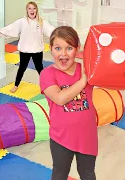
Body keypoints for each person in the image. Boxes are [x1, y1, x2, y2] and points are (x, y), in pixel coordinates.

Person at [40, 26, 97, 180]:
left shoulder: (87, 69)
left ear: (77, 50)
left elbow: (111, 75)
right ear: (50, 49)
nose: (63, 54)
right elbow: (59, 98)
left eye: (69, 48)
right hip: (61, 138)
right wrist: (84, 80)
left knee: (88, 174)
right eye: (58, 48)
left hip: (87, 135)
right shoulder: (47, 74)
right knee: (59, 174)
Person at [0, 1, 55, 93]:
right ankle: (16, 85)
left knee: (40, 69)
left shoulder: (42, 22)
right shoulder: (22, 22)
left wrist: (64, 36)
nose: (32, 10)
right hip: (25, 50)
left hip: (37, 50)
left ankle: (45, 87)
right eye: (29, 8)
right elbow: (9, 29)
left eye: (34, 8)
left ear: (36, 10)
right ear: (27, 10)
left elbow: (53, 31)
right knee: (22, 67)